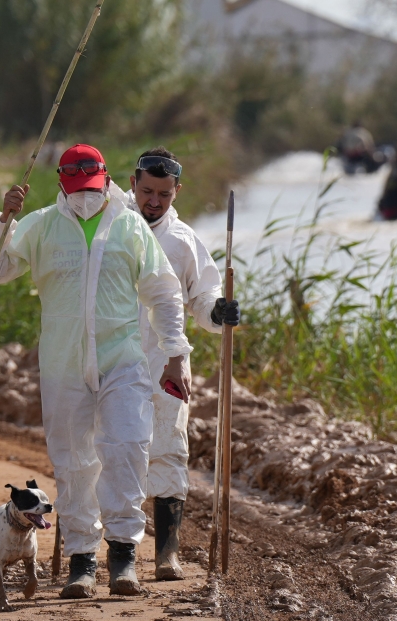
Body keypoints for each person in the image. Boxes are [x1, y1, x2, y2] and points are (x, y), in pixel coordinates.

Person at [0, 144, 191, 598]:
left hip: (123, 359)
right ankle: (82, 561)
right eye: (76, 189)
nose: (85, 197)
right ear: (61, 185)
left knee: (128, 447)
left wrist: (175, 352)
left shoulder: (129, 225)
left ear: (107, 180)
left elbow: (164, 291)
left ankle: (123, 556)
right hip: (63, 364)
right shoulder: (42, 225)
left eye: (93, 188)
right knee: (73, 461)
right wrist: (3, 220)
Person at [117, 147, 239, 581]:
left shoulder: (184, 240)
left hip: (167, 364)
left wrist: (217, 311)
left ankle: (167, 553)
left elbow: (202, 298)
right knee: (108, 454)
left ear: (176, 191)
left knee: (168, 450)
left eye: (164, 194)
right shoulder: (109, 226)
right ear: (133, 183)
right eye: (147, 190)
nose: (154, 201)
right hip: (110, 362)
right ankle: (108, 555)